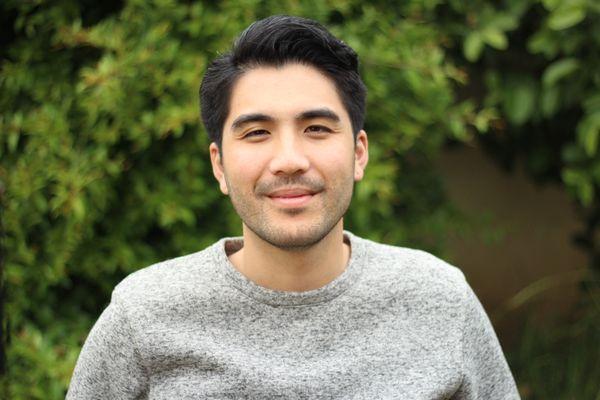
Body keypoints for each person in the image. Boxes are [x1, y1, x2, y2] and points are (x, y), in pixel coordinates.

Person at [67, 15, 520, 399]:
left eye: (317, 128)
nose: (289, 160)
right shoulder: (145, 316)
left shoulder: (439, 301)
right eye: (257, 133)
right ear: (219, 165)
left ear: (359, 153)